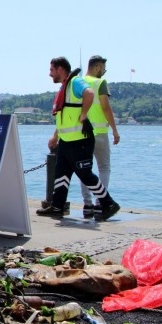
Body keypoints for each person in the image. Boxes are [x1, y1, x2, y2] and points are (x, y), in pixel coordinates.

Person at [36, 56, 120, 221]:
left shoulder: (75, 82)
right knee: (61, 174)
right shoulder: (64, 88)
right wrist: (55, 137)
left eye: (51, 70)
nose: (49, 74)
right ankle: (57, 206)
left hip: (80, 140)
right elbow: (64, 116)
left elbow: (89, 93)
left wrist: (83, 115)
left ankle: (109, 203)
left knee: (85, 174)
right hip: (67, 141)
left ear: (60, 69)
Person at [79, 55, 121, 217]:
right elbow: (106, 108)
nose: (104, 71)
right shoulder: (100, 83)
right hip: (100, 133)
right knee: (104, 167)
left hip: (83, 133)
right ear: (97, 67)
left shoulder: (79, 82)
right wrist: (115, 130)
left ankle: (87, 204)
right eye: (103, 68)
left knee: (84, 169)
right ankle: (100, 203)